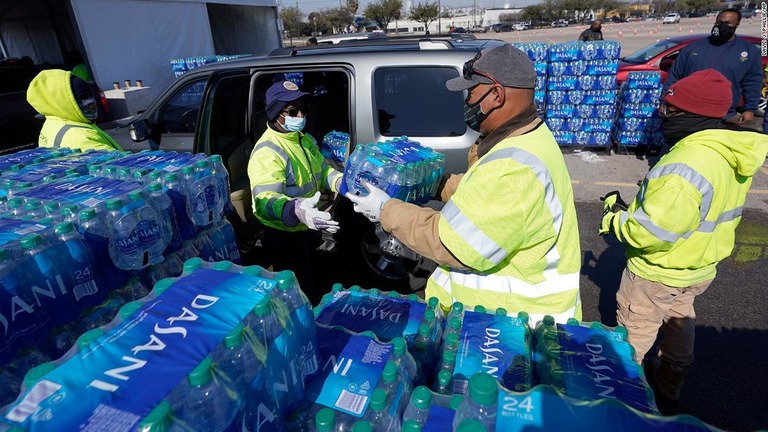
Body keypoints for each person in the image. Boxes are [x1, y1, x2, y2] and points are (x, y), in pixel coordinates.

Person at [346, 44, 582, 324]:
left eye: (471, 92)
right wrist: (433, 185)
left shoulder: (512, 169)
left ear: (496, 94)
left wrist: (385, 211)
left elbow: (449, 243)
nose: (467, 101)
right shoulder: (527, 139)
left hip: (509, 328)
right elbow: (480, 193)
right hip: (501, 320)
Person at [599, 69, 768, 414]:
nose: (662, 116)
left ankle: (623, 401)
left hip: (659, 270)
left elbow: (650, 232)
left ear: (693, 114)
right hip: (698, 266)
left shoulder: (684, 165)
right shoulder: (727, 151)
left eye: (668, 110)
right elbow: (693, 211)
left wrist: (614, 220)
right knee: (680, 320)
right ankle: (670, 383)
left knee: (635, 332)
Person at [247, 80, 343, 303]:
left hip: (307, 228)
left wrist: (340, 183)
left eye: (303, 109)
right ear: (275, 114)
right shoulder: (267, 152)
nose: (300, 115)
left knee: (314, 280)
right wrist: (297, 210)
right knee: (298, 294)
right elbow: (264, 201)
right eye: (292, 111)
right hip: (284, 237)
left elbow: (322, 170)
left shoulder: (304, 139)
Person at [664, 8, 762, 124]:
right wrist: (664, 101)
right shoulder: (693, 48)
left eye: (727, 23)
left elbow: (753, 82)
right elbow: (674, 76)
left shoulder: (749, 51)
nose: (722, 26)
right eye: (719, 23)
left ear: (737, 24)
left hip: (725, 115)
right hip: (689, 113)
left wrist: (749, 109)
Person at [26, 69, 122, 152]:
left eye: (90, 95)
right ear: (64, 103)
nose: (91, 101)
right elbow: (121, 165)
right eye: (82, 97)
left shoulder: (53, 122)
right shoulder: (80, 137)